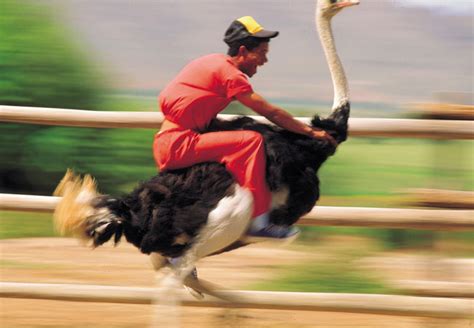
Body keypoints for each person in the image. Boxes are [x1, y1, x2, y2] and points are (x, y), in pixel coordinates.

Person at [154, 16, 335, 239]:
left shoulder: (212, 61)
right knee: (250, 141)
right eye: (261, 53)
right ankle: (260, 222)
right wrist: (310, 131)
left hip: (169, 141)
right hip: (180, 144)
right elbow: (271, 112)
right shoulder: (230, 74)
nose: (264, 60)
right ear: (242, 51)